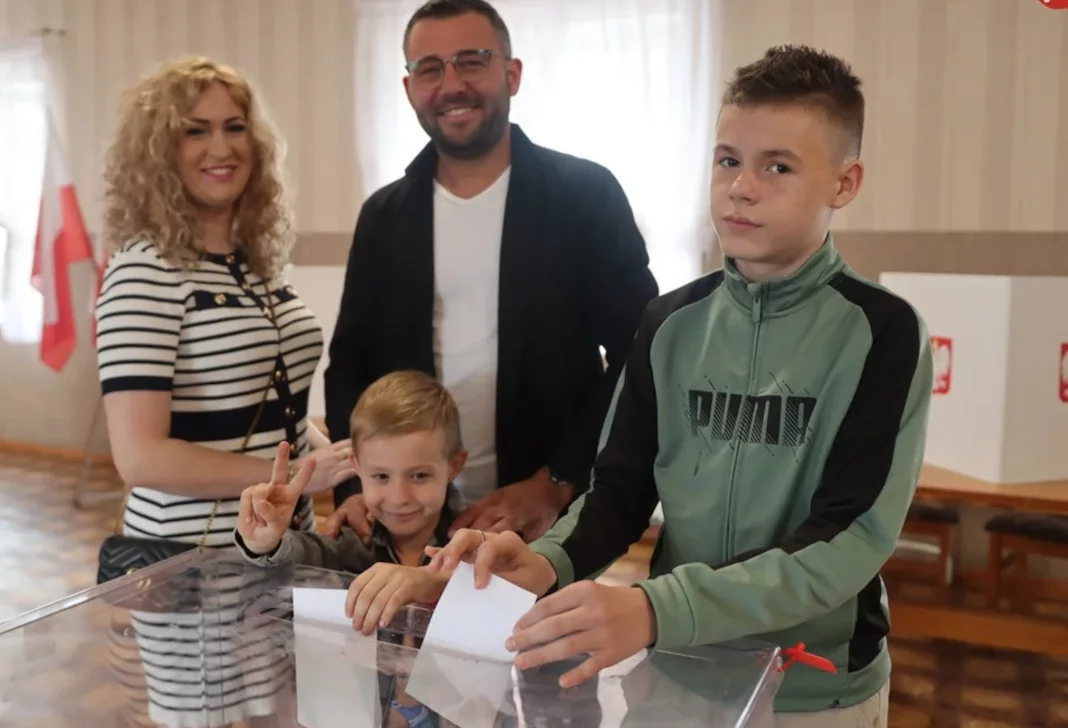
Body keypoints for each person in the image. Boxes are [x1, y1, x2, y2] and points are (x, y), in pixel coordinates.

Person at [428, 45, 934, 728]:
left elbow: (847, 539)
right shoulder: (669, 323)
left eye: (777, 167)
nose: (741, 187)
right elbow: (620, 492)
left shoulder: (883, 333)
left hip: (813, 690)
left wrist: (655, 608)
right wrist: (545, 563)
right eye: (727, 160)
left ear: (844, 184)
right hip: (672, 667)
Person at [322, 0, 658, 544]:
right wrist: (352, 485)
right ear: (409, 88)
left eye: (472, 61)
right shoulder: (384, 215)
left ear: (512, 74)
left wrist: (557, 481)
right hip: (409, 521)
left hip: (545, 521)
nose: (452, 84)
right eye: (430, 68)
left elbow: (639, 352)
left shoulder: (584, 196)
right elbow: (349, 366)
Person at [94, 56, 354, 728]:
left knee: (282, 713)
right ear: (158, 151)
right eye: (195, 130)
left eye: (235, 127)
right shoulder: (144, 271)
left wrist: (336, 456)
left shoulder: (255, 264)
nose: (221, 146)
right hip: (192, 557)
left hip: (276, 539)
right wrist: (296, 477)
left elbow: (273, 407)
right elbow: (140, 457)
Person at [236, 370, 466, 635]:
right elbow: (305, 554)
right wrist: (266, 543)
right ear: (357, 467)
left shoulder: (477, 545)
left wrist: (436, 582)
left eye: (419, 476)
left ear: (454, 466)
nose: (399, 498)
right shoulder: (354, 542)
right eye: (381, 476)